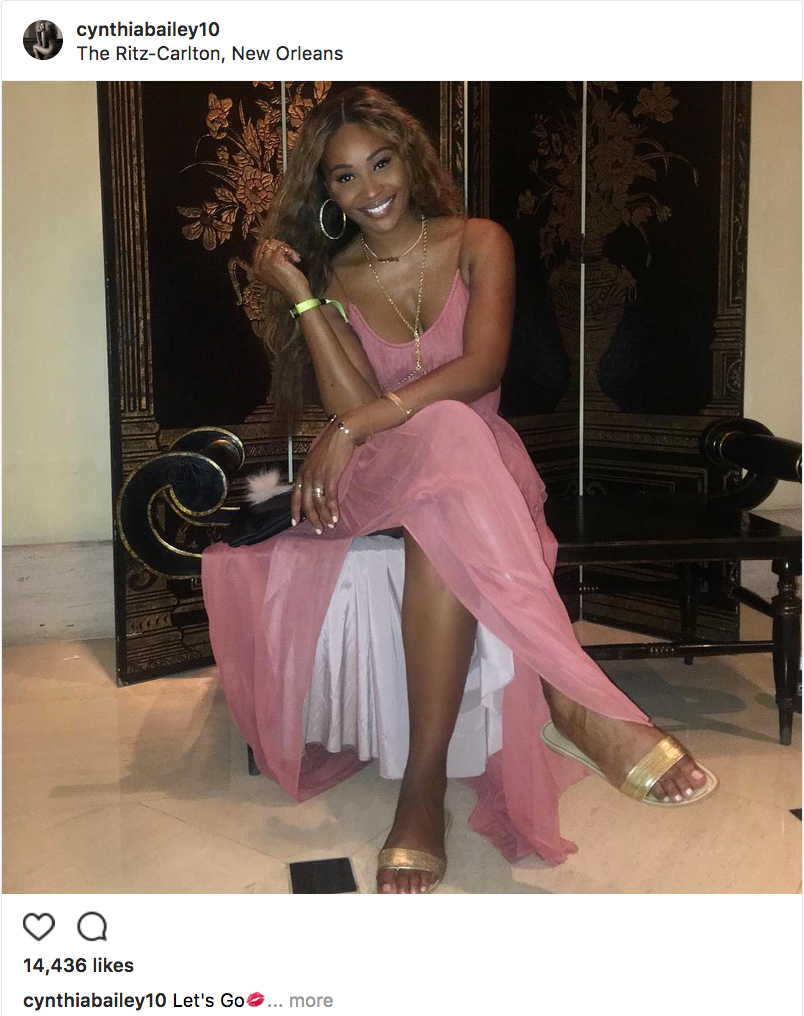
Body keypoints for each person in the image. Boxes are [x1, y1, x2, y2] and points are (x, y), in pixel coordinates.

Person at [201, 86, 715, 894]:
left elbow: (481, 369)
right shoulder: (336, 271)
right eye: (344, 177)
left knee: (449, 457)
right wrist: (303, 297)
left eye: (381, 162)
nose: (369, 189)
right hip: (379, 474)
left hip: (474, 463)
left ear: (410, 158)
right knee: (441, 437)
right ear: (326, 192)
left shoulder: (480, 241)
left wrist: (352, 425)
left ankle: (422, 793)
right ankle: (570, 699)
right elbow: (349, 400)